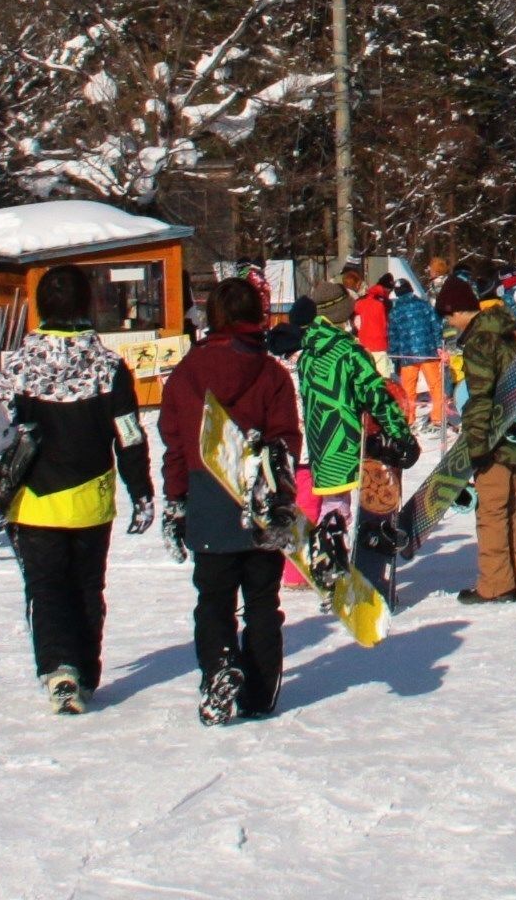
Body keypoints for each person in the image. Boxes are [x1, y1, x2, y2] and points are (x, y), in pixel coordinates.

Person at [0, 264, 156, 714]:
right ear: (88, 304)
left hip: (35, 502)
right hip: (91, 502)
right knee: (87, 587)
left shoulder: (18, 366)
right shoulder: (108, 366)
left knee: (46, 589)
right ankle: (85, 668)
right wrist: (141, 490)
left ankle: (59, 668)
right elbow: (129, 434)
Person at [155, 277, 302, 725]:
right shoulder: (272, 372)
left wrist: (176, 498)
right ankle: (259, 690)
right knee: (262, 600)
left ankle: (219, 668)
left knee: (213, 600)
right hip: (260, 499)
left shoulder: (188, 371)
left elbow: (176, 442)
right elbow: (286, 440)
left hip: (208, 496)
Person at [297, 281, 417, 584]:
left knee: (334, 501)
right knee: (366, 501)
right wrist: (400, 433)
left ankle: (329, 553)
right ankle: (357, 558)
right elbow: (375, 395)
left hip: (320, 437)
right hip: (351, 436)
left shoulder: (308, 352)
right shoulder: (349, 352)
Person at [445, 279, 516, 605]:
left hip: (493, 438)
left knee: (491, 512)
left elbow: (480, 397)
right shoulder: (506, 335)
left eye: (449, 316)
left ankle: (495, 586)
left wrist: (477, 445)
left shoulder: (480, 343)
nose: (449, 323)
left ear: (459, 311)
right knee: (511, 511)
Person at [388, 277, 441, 430]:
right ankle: (437, 418)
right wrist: (438, 345)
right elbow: (436, 325)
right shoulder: (424, 305)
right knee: (435, 385)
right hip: (427, 351)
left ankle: (408, 418)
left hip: (407, 354)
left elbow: (393, 336)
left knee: (407, 389)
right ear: (411, 289)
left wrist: (394, 355)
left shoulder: (395, 311)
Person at [354, 271, 394, 380]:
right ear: (388, 289)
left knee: (366, 378)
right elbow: (390, 324)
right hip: (379, 345)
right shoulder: (386, 303)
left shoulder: (360, 301)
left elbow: (354, 321)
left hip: (363, 345)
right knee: (384, 380)